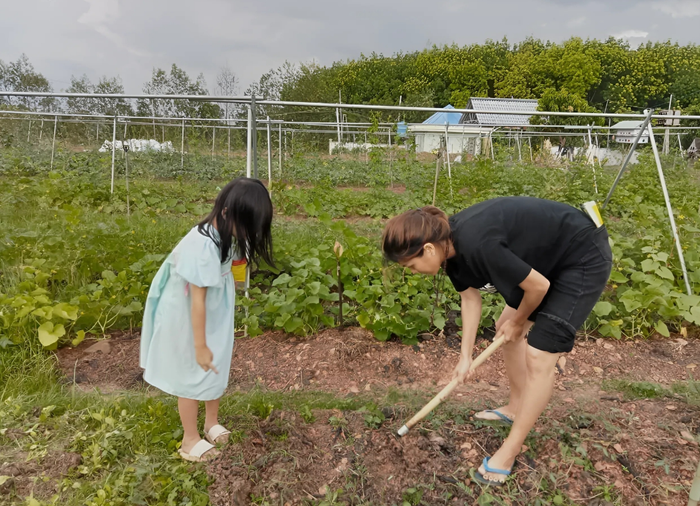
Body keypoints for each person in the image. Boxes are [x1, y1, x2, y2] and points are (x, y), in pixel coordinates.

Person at [381, 197, 612, 486]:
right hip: (547, 259)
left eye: (411, 266)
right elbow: (470, 298)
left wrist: (519, 322)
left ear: (427, 249)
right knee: (504, 328)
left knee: (540, 354)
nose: (412, 272)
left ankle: (510, 450)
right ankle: (516, 407)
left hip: (581, 255)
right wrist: (465, 357)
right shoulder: (449, 248)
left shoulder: (478, 244)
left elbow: (538, 286)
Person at [140, 178, 274, 462]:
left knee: (216, 365)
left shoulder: (226, 236)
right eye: (246, 225)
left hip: (214, 314)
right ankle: (189, 440)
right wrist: (199, 344)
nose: (248, 234)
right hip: (189, 316)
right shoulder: (200, 245)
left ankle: (210, 423)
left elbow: (235, 268)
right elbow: (197, 300)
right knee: (191, 372)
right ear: (226, 212)